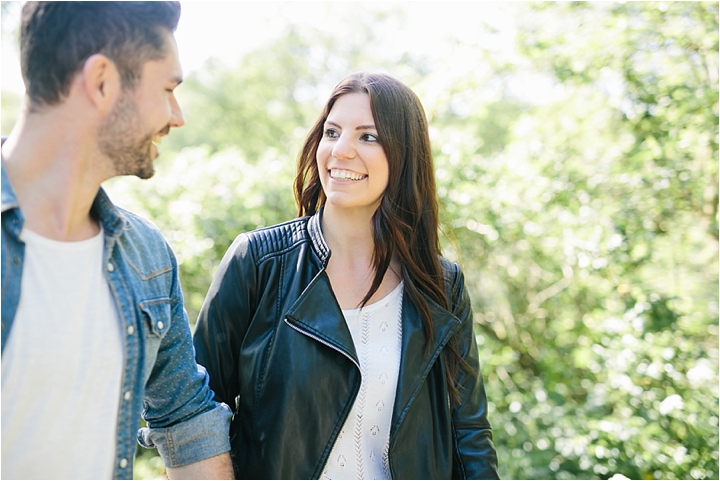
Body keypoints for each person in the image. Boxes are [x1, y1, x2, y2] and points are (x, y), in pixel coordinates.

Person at [193, 72, 499, 479]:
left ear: (405, 154)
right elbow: (194, 409)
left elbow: (469, 434)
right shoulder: (260, 262)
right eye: (332, 132)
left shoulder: (440, 285)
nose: (341, 151)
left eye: (368, 137)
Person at [1, 2, 233, 479]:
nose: (177, 115)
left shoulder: (146, 256)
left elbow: (187, 418)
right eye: (168, 89)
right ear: (103, 81)